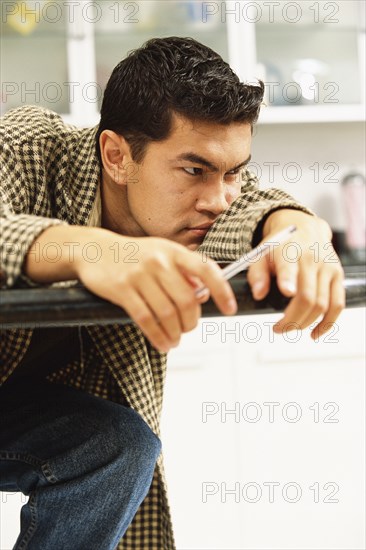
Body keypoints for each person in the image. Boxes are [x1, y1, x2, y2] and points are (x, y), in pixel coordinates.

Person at [0, 37, 345, 549]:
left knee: (117, 446)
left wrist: (293, 224)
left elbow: (250, 210)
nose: (218, 198)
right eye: (194, 170)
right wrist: (91, 250)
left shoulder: (211, 196)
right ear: (117, 156)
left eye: (234, 171)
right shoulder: (26, 147)